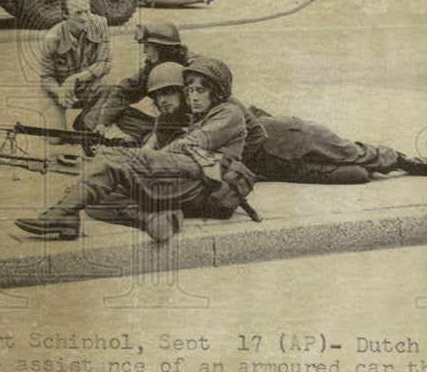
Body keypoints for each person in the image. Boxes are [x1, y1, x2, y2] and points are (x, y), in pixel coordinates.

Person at [15, 57, 265, 242]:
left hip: (204, 183)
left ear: (218, 91)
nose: (193, 96)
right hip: (183, 182)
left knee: (112, 162)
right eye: (189, 90)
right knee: (96, 200)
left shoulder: (229, 113)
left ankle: (60, 214)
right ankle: (154, 218)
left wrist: (133, 159)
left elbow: (189, 145)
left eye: (201, 90)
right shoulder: (197, 116)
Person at [245, 105, 427, 184]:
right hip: (271, 166)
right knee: (357, 175)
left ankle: (406, 162)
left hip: (286, 136)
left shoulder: (221, 101)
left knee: (351, 153)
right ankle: (386, 165)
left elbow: (254, 124)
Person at [78, 20, 194, 143]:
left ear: (161, 47)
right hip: (165, 124)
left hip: (192, 125)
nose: (144, 51)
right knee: (112, 101)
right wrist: (103, 122)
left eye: (147, 46)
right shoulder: (151, 68)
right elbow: (124, 91)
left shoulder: (193, 68)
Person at [37, 0, 112, 142]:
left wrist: (74, 78)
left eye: (87, 11)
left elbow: (105, 64)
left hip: (87, 87)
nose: (85, 18)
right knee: (55, 140)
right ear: (65, 15)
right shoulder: (51, 38)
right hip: (57, 92)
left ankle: (85, 124)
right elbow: (45, 78)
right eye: (78, 13)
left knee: (110, 88)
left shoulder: (100, 24)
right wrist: (59, 92)